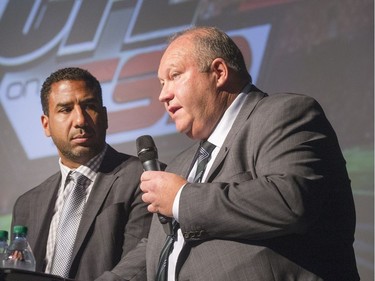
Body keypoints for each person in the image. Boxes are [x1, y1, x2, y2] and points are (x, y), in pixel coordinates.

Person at [138, 26, 360, 280]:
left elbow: (289, 199)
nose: (163, 95)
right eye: (161, 83)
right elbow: (160, 246)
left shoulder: (284, 113)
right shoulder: (180, 164)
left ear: (219, 72)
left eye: (175, 75)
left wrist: (182, 199)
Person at [10, 67, 151, 281]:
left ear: (104, 117)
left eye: (89, 106)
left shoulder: (142, 177)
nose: (80, 120)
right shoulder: (27, 205)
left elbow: (142, 262)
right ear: (46, 125)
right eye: (65, 109)